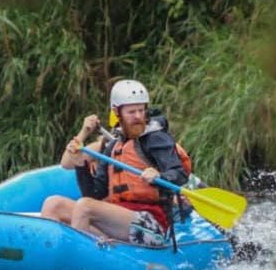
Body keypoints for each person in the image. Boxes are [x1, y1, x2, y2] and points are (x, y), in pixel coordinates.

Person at [40, 79, 191, 247]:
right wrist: (81, 165)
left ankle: (81, 262)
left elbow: (179, 174)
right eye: (131, 112)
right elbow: (94, 195)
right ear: (117, 112)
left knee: (85, 207)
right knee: (54, 204)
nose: (138, 117)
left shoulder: (156, 139)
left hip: (152, 224)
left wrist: (160, 175)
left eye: (141, 110)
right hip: (118, 219)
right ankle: (50, 259)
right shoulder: (113, 146)